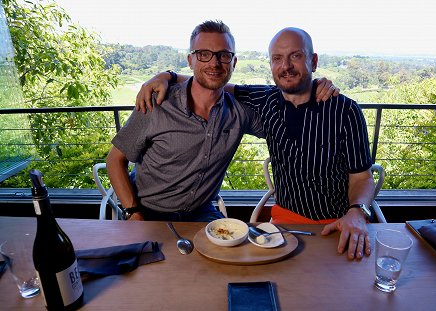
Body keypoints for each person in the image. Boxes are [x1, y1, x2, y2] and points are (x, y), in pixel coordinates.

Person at [135, 27, 374, 260]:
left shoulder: (345, 110)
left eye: (296, 56)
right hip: (283, 224)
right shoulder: (264, 100)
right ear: (270, 64)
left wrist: (357, 212)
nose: (286, 66)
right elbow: (209, 81)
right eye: (277, 58)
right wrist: (167, 76)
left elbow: (362, 178)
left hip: (338, 223)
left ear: (313, 60)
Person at [106, 21, 337, 224]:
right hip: (148, 213)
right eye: (204, 54)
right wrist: (133, 211)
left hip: (202, 213)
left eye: (223, 55)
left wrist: (315, 87)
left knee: (234, 264)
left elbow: (289, 108)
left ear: (233, 62)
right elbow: (115, 160)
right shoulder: (157, 103)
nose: (214, 63)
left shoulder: (240, 113)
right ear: (190, 60)